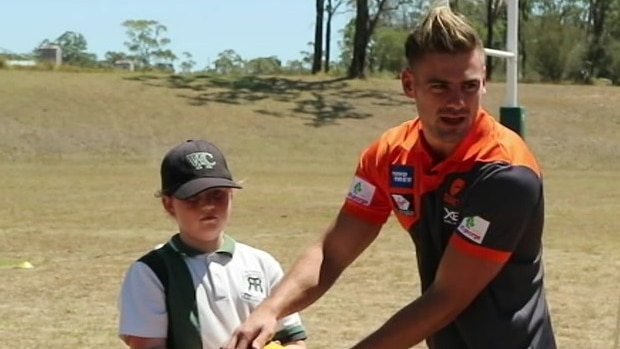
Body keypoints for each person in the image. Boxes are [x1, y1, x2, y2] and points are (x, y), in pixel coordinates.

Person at [225, 6, 556, 349]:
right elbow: (333, 251)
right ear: (409, 84)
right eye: (440, 86)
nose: (457, 101)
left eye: (469, 86)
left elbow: (447, 298)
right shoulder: (389, 154)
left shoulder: (507, 174)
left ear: (484, 81)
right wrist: (270, 309)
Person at [118, 139, 307, 349]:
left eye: (217, 194)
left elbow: (293, 339)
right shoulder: (151, 271)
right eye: (192, 197)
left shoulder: (262, 263)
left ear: (232, 195)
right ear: (168, 204)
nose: (208, 205)